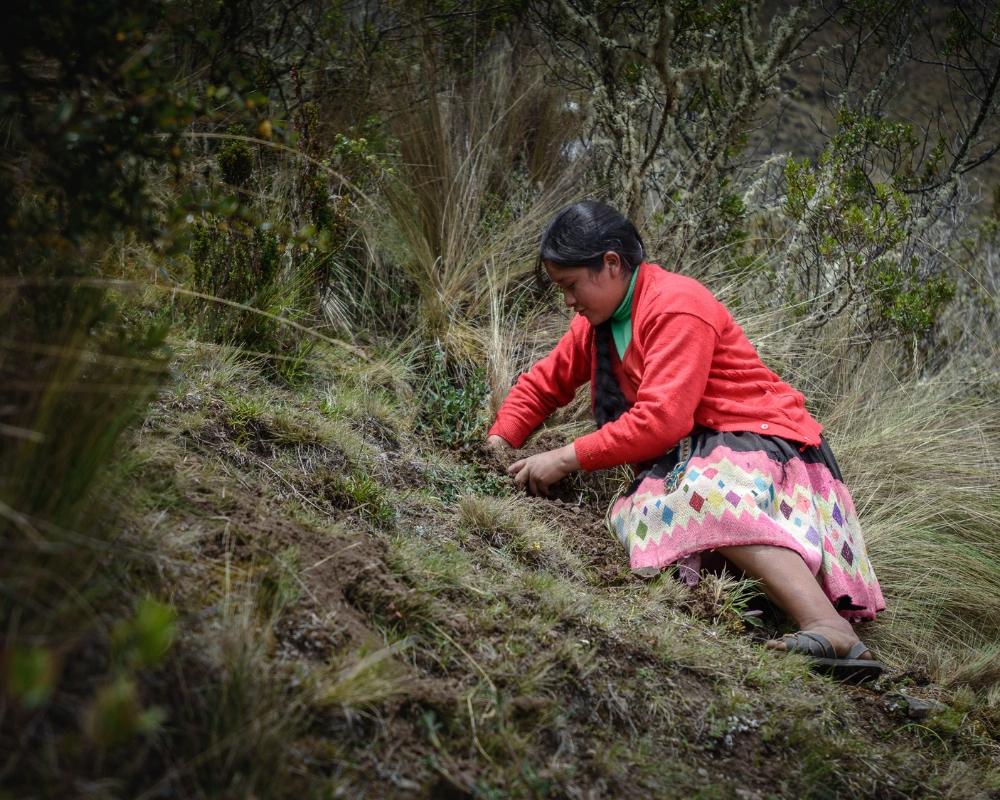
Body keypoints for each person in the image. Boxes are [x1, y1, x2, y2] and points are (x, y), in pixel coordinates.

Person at [486, 200, 886, 681]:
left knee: (705, 495)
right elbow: (543, 385)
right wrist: (497, 443)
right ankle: (754, 609)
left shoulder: (677, 305)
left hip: (768, 447)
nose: (568, 300)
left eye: (571, 285)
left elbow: (661, 421)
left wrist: (568, 457)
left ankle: (828, 625)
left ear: (611, 264)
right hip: (703, 454)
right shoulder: (594, 326)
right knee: (631, 513)